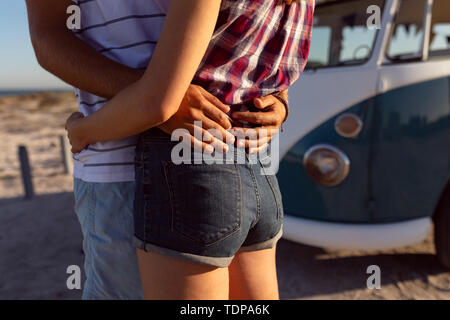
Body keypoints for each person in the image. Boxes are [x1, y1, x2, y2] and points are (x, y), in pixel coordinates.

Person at [25, 0, 294, 299]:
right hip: (242, 164)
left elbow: (159, 101)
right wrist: (274, 95)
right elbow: (48, 34)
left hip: (162, 167)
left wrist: (90, 127)